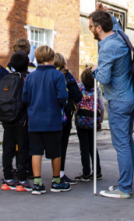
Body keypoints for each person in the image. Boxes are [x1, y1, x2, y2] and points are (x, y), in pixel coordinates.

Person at [89, 8, 134, 199]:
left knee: (122, 145)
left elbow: (104, 78)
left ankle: (124, 188)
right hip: (130, 98)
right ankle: (126, 183)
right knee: (127, 143)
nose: (90, 30)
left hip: (118, 100)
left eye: (91, 27)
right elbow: (115, 24)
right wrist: (105, 12)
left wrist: (94, 70)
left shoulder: (107, 47)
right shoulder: (121, 36)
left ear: (99, 28)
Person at [22, 45, 70, 194]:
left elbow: (25, 98)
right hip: (52, 119)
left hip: (34, 120)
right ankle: (56, 181)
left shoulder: (30, 77)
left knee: (36, 151)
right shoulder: (58, 75)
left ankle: (37, 183)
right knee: (55, 151)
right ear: (52, 58)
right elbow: (63, 96)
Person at [1, 52, 31, 191]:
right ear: (28, 64)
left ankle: (7, 178)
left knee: (8, 148)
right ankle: (22, 180)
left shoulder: (6, 77)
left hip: (7, 116)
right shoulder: (27, 78)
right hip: (22, 118)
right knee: (22, 149)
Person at [52, 52, 82, 184]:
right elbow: (78, 96)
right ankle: (59, 173)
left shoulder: (49, 75)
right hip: (64, 114)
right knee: (62, 144)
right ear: (64, 63)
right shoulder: (67, 76)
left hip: (48, 112)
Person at [74, 67, 103, 182]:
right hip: (93, 119)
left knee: (84, 147)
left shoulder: (79, 86)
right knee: (93, 146)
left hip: (81, 119)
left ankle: (86, 173)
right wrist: (100, 120)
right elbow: (102, 105)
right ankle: (97, 171)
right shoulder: (97, 88)